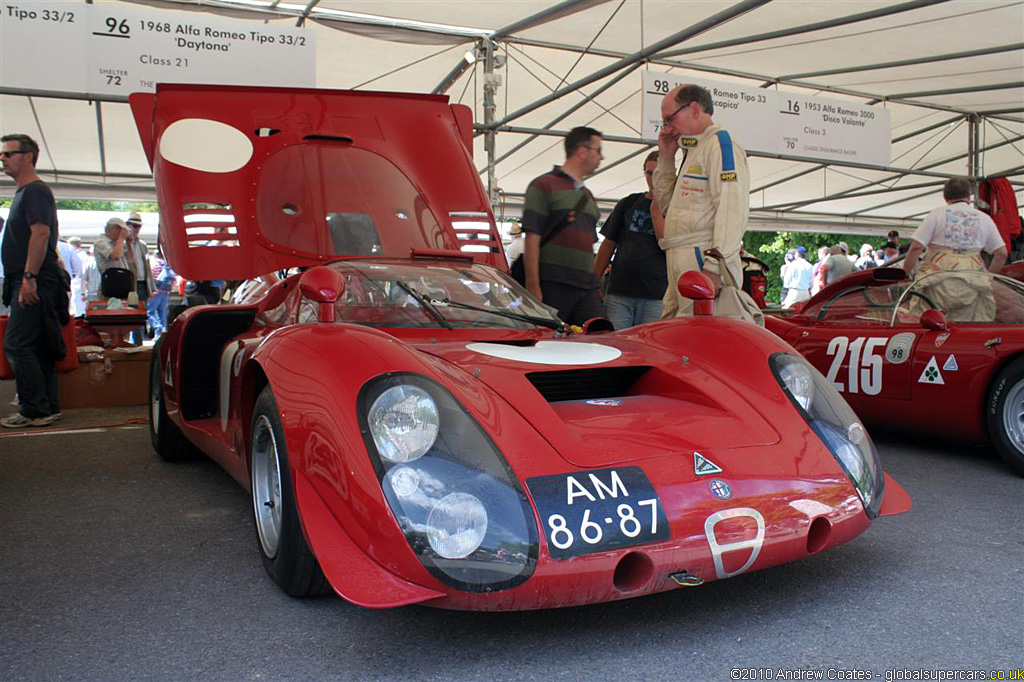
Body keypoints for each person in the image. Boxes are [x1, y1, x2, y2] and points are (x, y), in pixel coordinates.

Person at [653, 84, 755, 322]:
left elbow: (732, 209)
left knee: (698, 337)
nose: (668, 127)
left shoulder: (720, 144)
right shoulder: (693, 150)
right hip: (680, 258)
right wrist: (666, 158)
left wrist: (714, 267)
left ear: (695, 109)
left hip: (701, 258)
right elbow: (669, 208)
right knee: (675, 333)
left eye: (670, 119)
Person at [1, 133, 65, 428]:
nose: (2, 159)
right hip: (32, 277)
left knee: (16, 344)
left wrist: (29, 277)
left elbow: (41, 234)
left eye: (7, 154)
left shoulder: (35, 191)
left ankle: (36, 409)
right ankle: (46, 407)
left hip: (33, 277)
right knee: (37, 344)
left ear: (27, 156)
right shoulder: (28, 192)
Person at [521, 126, 605, 325]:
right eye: (598, 150)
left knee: (598, 338)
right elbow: (532, 236)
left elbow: (589, 243)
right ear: (583, 151)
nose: (601, 158)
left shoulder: (588, 196)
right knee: (548, 342)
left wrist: (595, 284)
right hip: (553, 282)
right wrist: (533, 284)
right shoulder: (543, 185)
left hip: (586, 285)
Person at [902, 178, 1007, 322]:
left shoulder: (936, 214)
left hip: (938, 271)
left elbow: (916, 247)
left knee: (932, 321)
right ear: (969, 196)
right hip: (972, 272)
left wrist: (904, 275)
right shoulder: (984, 218)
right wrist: (988, 278)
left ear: (945, 196)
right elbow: (1002, 254)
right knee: (968, 325)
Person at [591, 151, 667, 329]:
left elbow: (668, 244)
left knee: (648, 349)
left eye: (658, 173)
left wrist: (657, 210)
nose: (653, 178)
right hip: (620, 292)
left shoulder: (675, 208)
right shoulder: (629, 203)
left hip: (657, 295)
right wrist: (593, 282)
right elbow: (608, 244)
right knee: (615, 344)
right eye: (649, 173)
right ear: (644, 173)